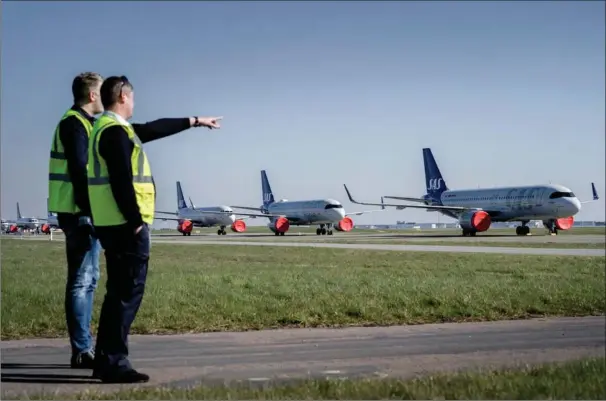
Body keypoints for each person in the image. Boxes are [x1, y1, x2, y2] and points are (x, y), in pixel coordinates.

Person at [87, 75, 222, 383]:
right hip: (125, 227)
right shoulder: (115, 132)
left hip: (110, 223)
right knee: (126, 295)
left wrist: (195, 121)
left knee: (118, 294)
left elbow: (153, 128)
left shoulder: (107, 129)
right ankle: (114, 362)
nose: (135, 104)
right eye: (132, 98)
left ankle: (107, 358)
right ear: (123, 97)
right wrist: (135, 221)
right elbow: (121, 179)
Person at [48, 72, 104, 369]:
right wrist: (89, 213)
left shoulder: (84, 123)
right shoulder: (75, 124)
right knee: (82, 280)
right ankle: (82, 350)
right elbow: (81, 172)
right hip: (79, 212)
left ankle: (85, 347)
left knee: (89, 279)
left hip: (81, 211)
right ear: (92, 96)